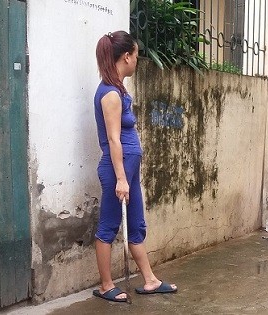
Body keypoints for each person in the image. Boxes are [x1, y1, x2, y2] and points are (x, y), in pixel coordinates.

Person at [93, 30, 177, 302]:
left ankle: (150, 280)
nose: (137, 61)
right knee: (108, 225)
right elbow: (113, 140)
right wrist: (120, 179)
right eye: (137, 56)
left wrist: (127, 176)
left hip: (129, 171)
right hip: (117, 171)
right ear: (126, 56)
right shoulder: (110, 95)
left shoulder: (118, 89)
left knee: (136, 224)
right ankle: (106, 285)